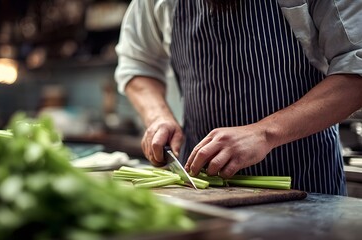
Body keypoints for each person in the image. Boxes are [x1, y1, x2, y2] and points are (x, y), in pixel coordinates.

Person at [114, 0, 362, 195]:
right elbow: (137, 63)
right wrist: (158, 118)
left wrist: (264, 133)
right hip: (202, 190)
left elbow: (355, 70)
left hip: (306, 185)